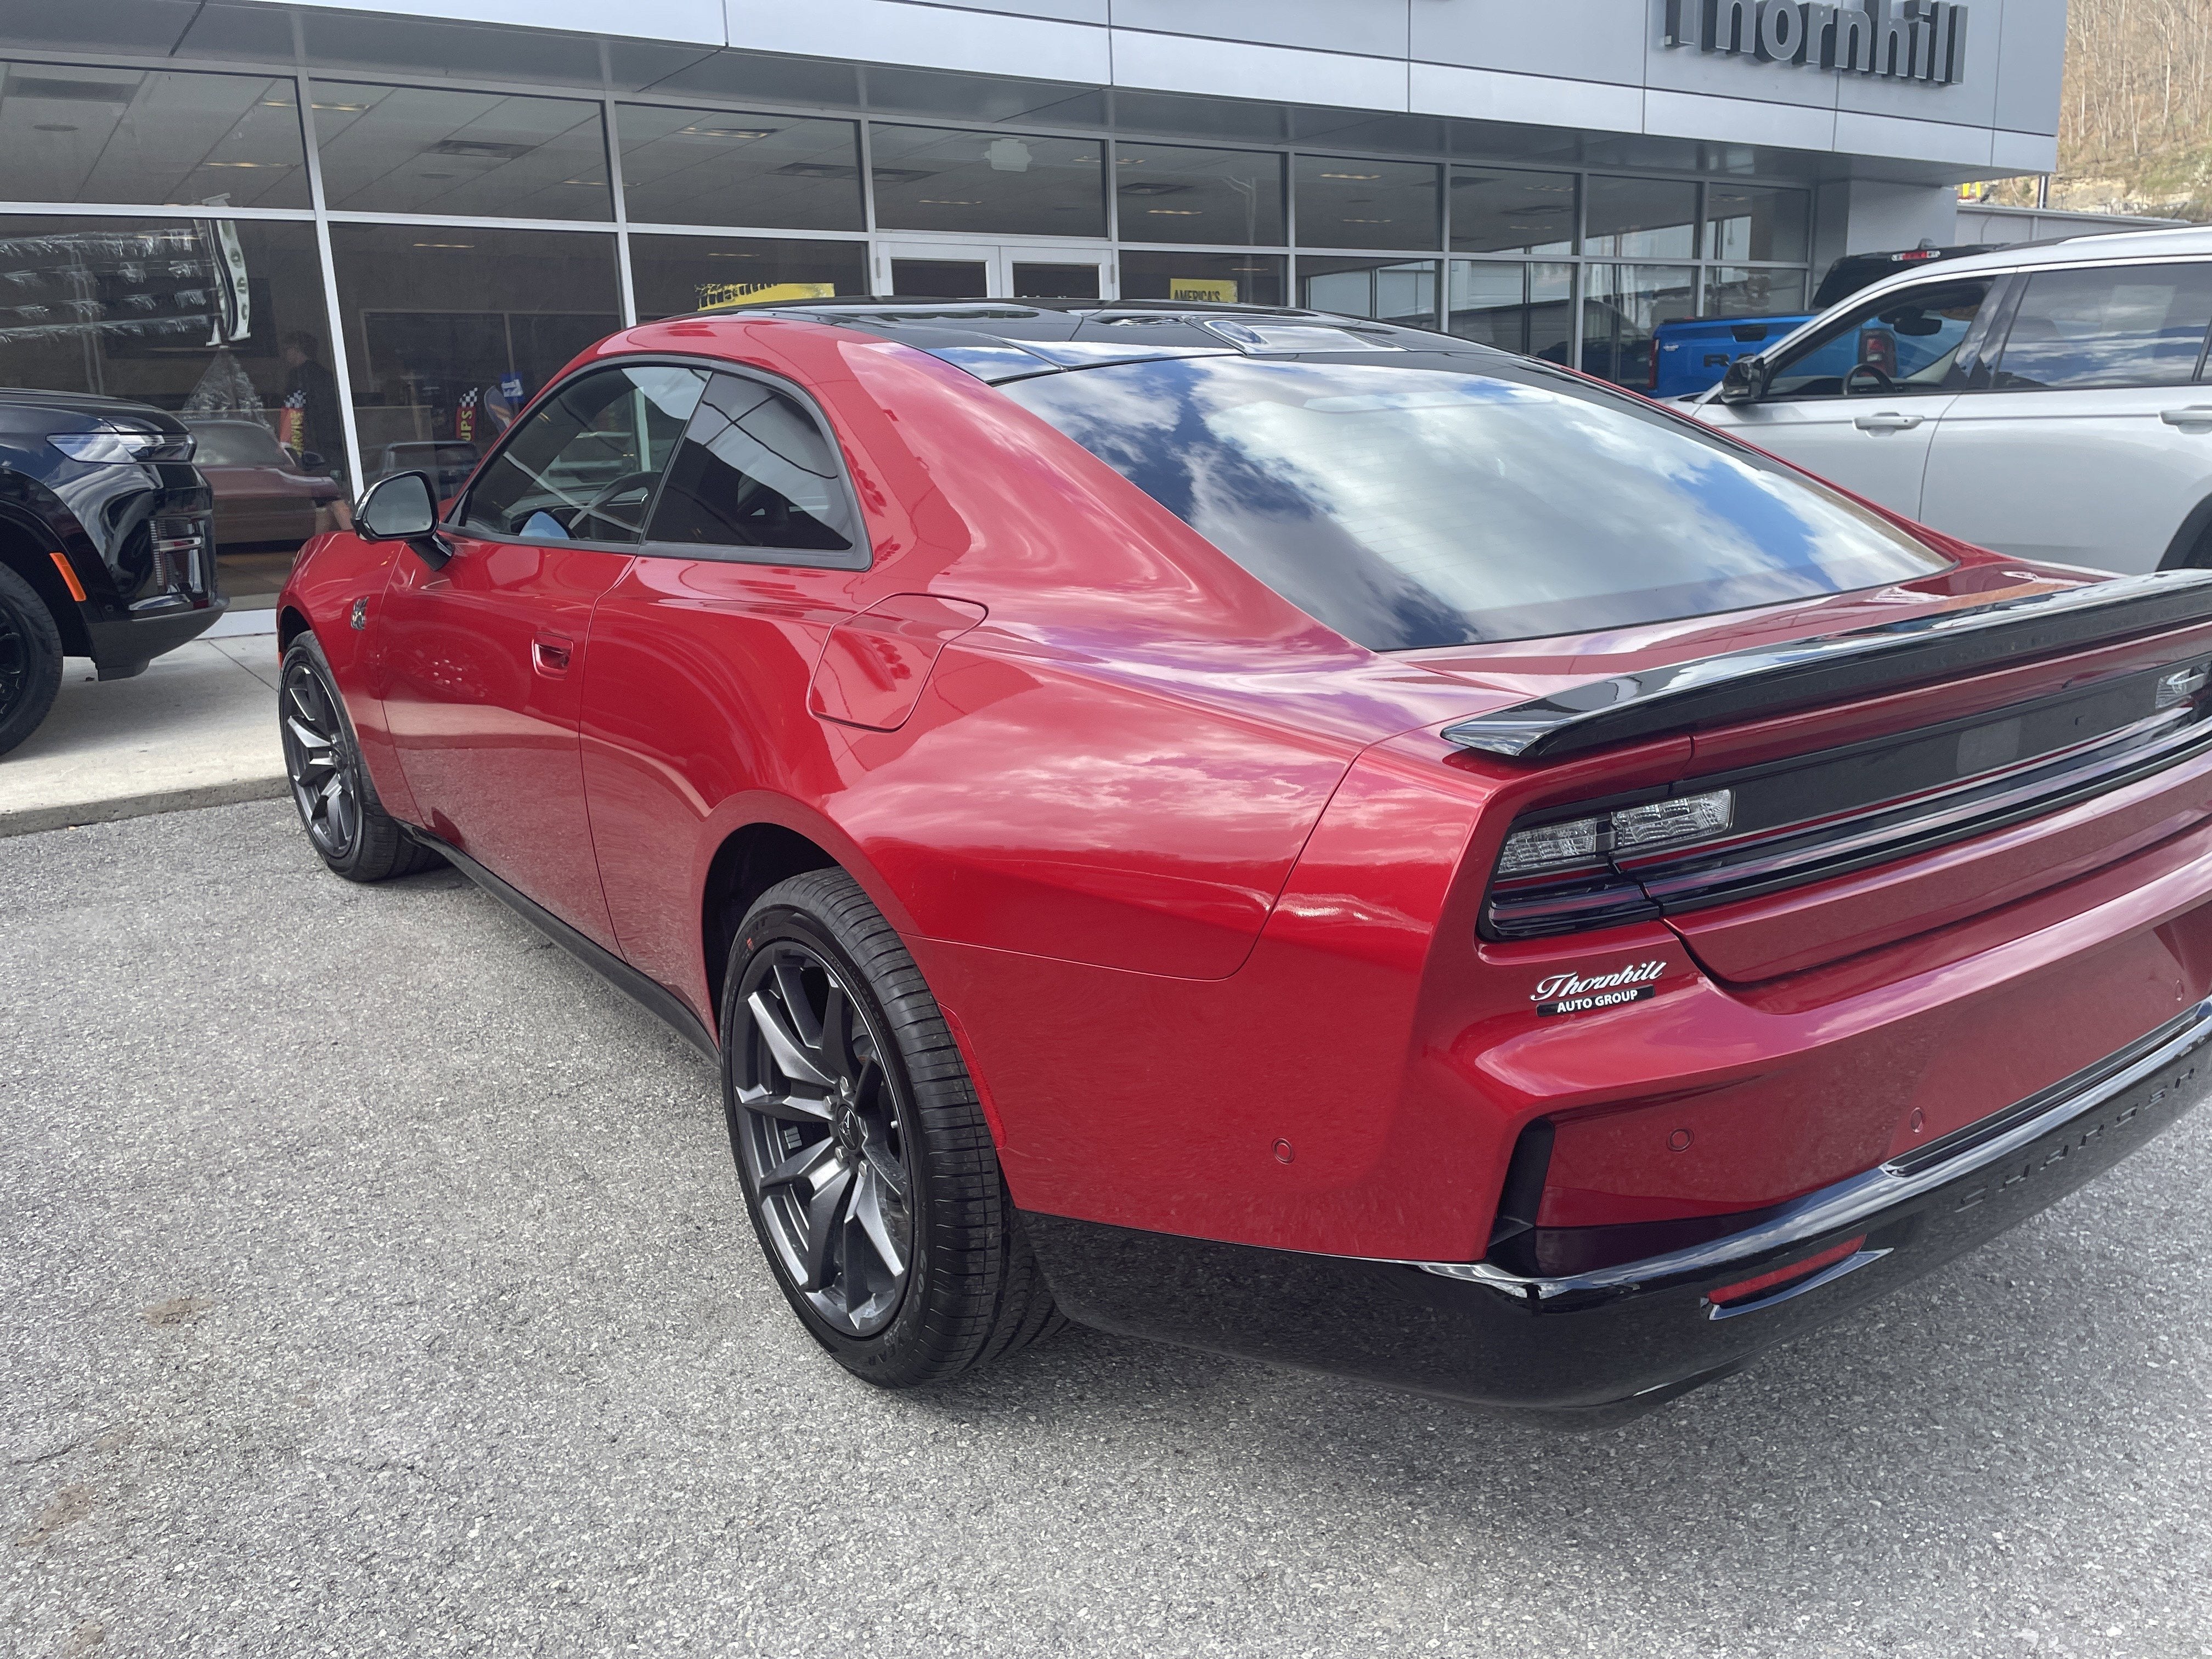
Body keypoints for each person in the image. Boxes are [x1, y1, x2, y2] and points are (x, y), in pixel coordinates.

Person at [280, 331, 345, 484]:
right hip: (334, 438)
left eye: (286, 350)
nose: (285, 355)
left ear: (295, 349)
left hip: (312, 441)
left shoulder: (298, 377)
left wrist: (287, 443)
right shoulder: (326, 375)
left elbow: (294, 413)